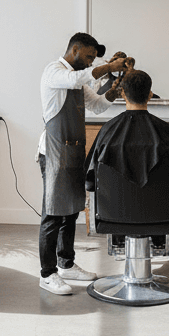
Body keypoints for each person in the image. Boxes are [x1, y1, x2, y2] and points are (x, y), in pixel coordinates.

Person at [36, 32, 130, 295]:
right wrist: (109, 67)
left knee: (71, 211)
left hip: (74, 150)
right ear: (75, 49)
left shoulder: (78, 81)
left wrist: (113, 91)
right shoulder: (54, 72)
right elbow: (76, 78)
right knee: (53, 213)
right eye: (89, 57)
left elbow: (97, 106)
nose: (90, 62)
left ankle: (66, 264)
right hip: (54, 152)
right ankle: (47, 274)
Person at [84, 70, 169, 250]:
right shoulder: (165, 132)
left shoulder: (107, 131)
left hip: (112, 217)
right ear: (150, 95)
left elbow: (90, 178)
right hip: (163, 218)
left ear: (123, 94)